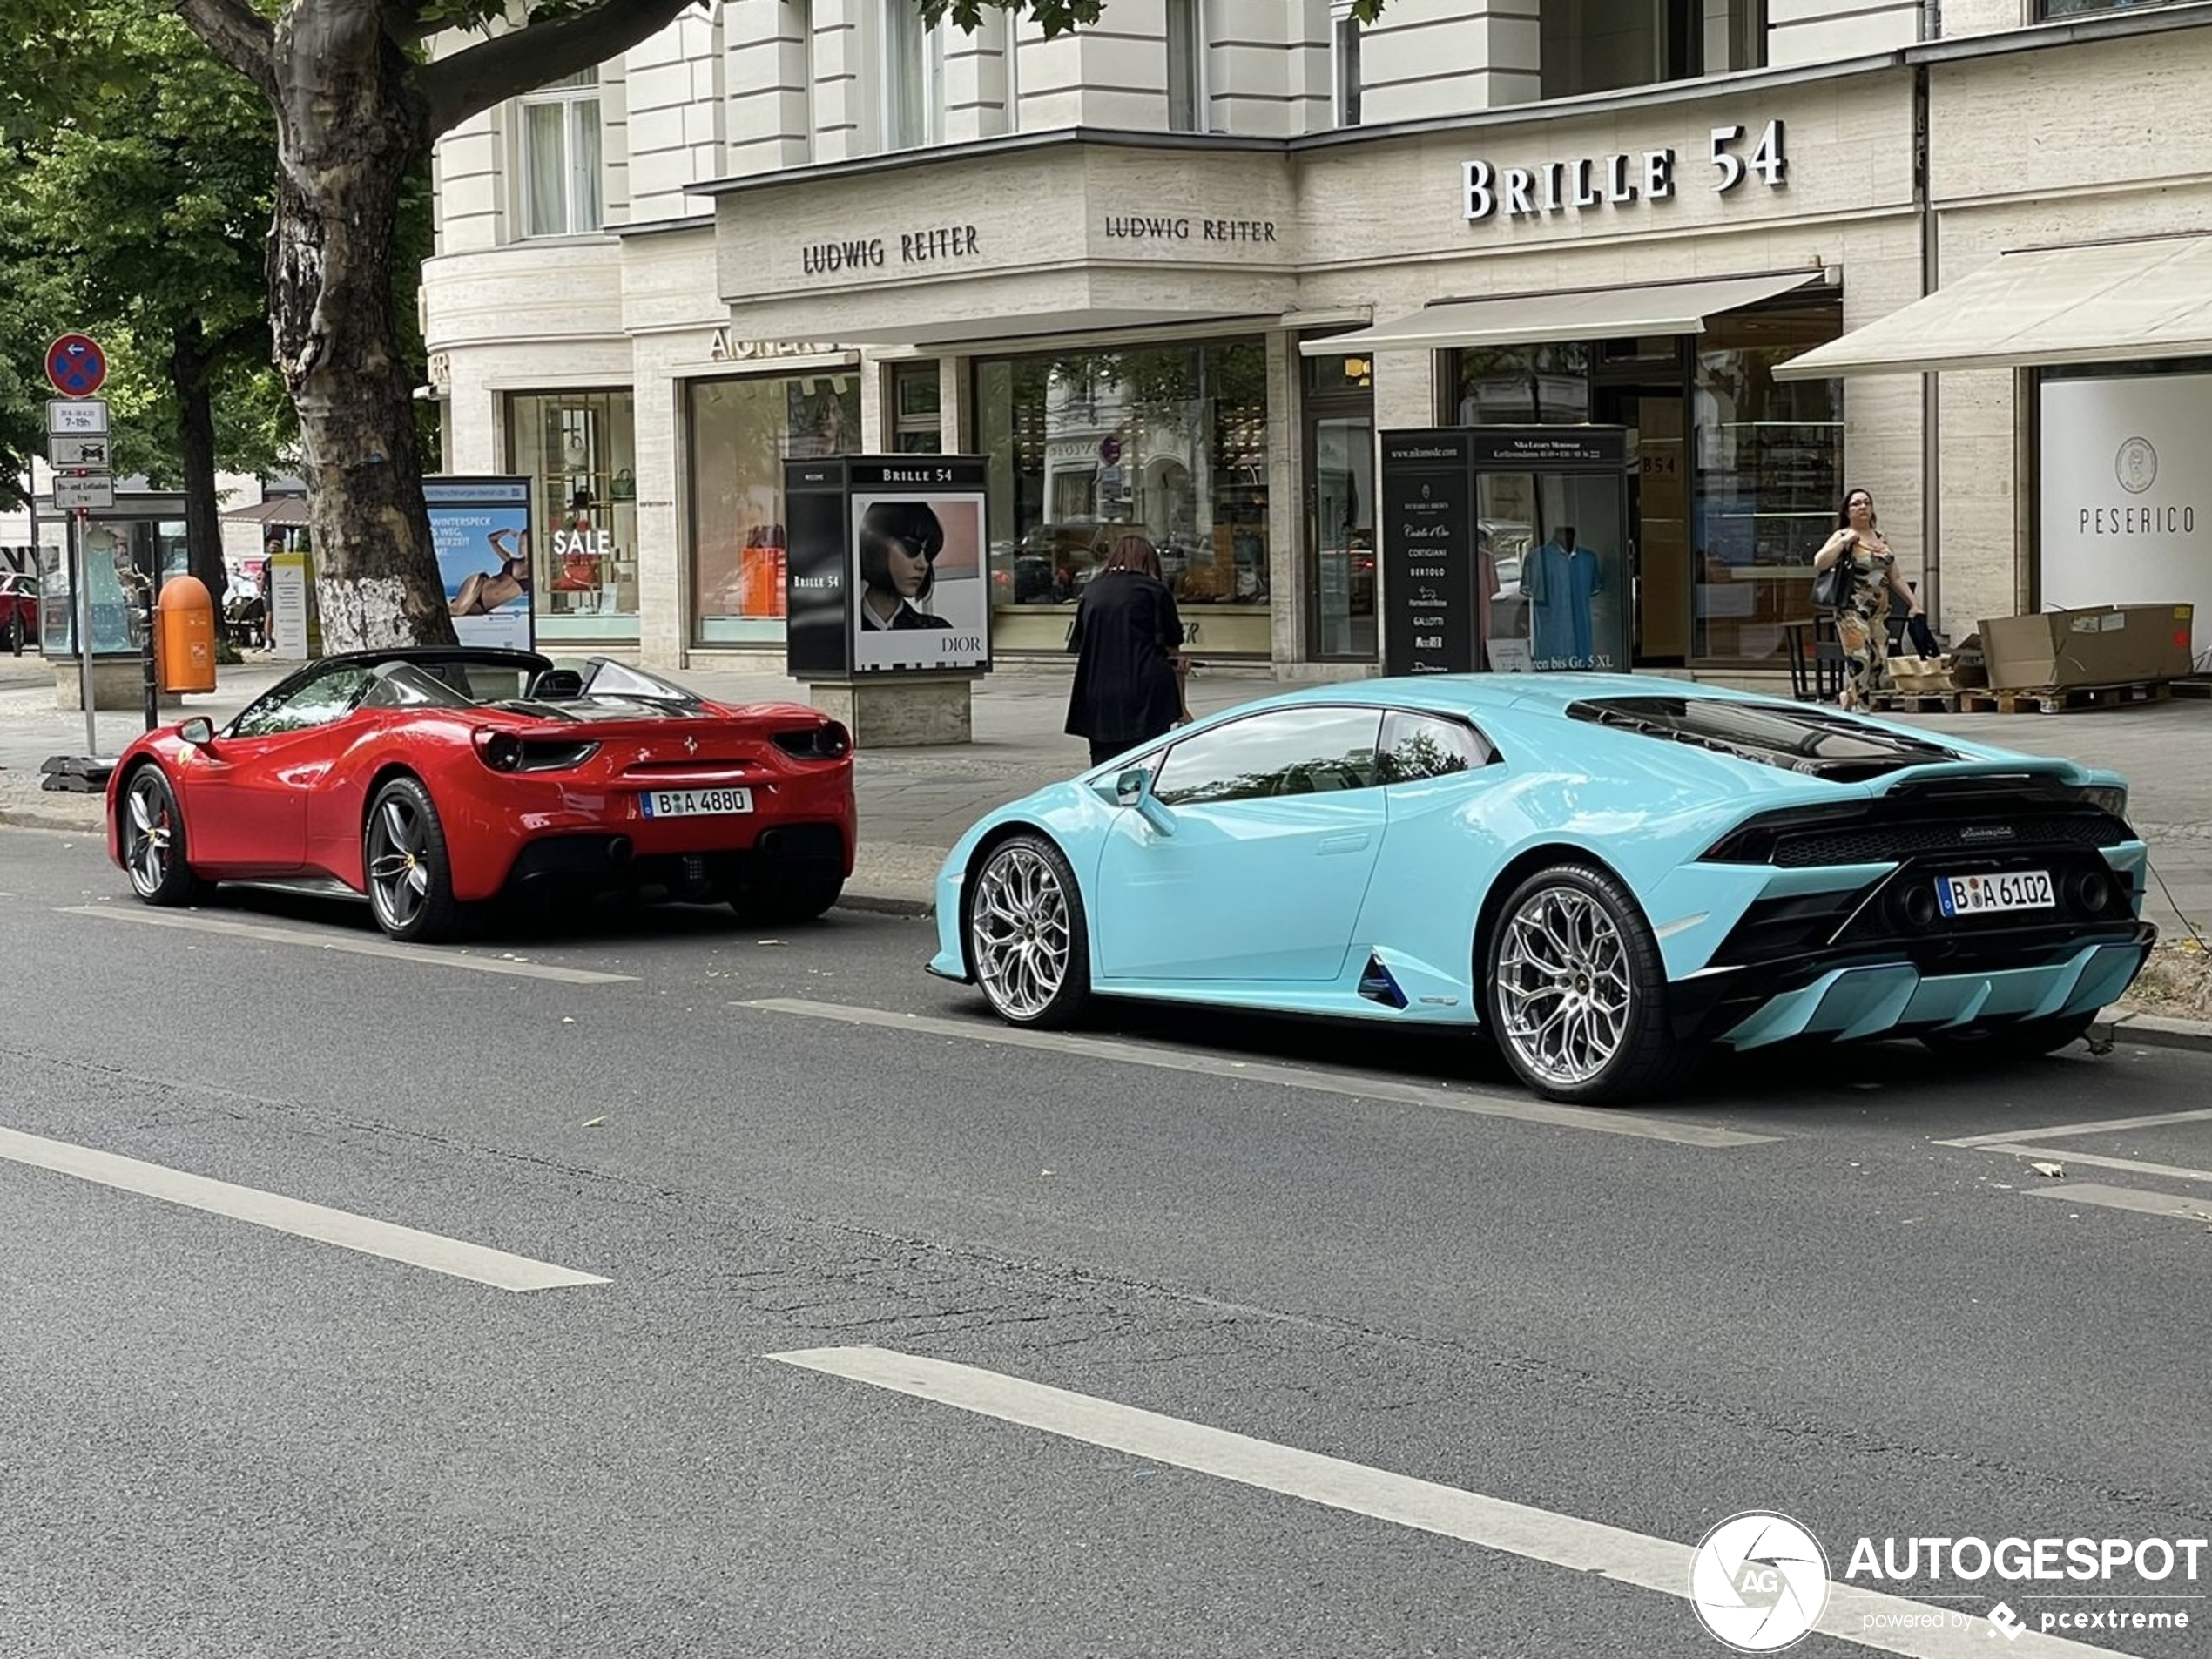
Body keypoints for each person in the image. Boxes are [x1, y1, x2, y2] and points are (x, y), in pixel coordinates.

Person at [1064, 532, 1190, 769]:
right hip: (1145, 688)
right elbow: (1172, 648)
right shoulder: (1154, 590)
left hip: (1098, 689)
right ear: (1150, 561)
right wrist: (1181, 706)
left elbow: (1081, 641)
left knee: (1103, 765)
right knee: (1146, 761)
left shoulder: (1092, 590)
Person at [1813, 487, 1922, 711]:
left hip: (1880, 610)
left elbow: (1895, 576)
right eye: (1856, 504)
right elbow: (1819, 563)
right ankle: (1863, 709)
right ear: (1847, 511)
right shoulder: (1842, 536)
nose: (1862, 507)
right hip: (1852, 607)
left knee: (1877, 661)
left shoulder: (1882, 538)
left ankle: (1849, 695)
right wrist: (1844, 543)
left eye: (1866, 503)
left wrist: (1914, 603)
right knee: (1859, 656)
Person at [856, 500, 953, 631]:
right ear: (876, 547)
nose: (923, 564)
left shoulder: (937, 631)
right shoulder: (842, 630)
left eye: (929, 553)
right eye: (911, 547)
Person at [451, 527, 531, 617]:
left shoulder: (536, 571)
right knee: (456, 609)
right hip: (479, 585)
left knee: (454, 610)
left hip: (483, 606)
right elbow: (492, 539)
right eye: (520, 542)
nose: (520, 546)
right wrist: (507, 531)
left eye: (524, 543)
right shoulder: (511, 560)